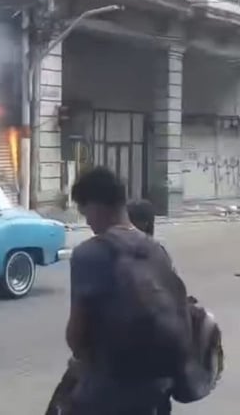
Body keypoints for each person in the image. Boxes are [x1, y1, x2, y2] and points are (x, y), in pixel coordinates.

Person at [63, 167, 172, 414]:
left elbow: (76, 335)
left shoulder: (88, 254)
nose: (87, 221)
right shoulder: (158, 251)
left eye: (84, 211)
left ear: (96, 205)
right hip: (156, 390)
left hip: (106, 393)